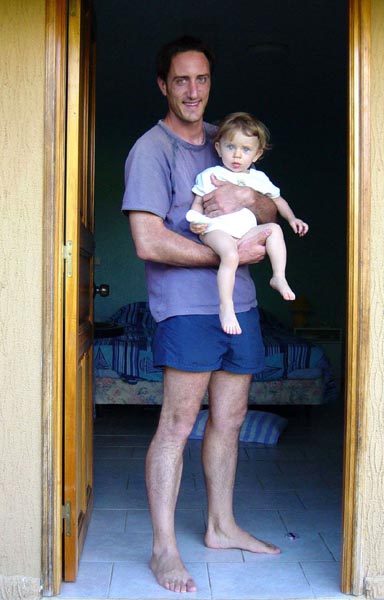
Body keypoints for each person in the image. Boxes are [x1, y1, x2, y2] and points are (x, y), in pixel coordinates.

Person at [122, 35, 281, 594]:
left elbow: (269, 203)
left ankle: (221, 525)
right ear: (163, 85)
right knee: (177, 423)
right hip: (186, 308)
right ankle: (164, 549)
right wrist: (227, 254)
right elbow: (148, 240)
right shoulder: (151, 150)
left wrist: (246, 201)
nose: (193, 91)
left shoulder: (227, 140)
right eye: (181, 80)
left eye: (202, 79)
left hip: (240, 304)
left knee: (231, 419)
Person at [186, 111, 309, 335]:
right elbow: (197, 204)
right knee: (230, 255)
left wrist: (292, 218)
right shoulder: (210, 174)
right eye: (230, 147)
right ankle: (226, 306)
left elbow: (278, 200)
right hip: (216, 230)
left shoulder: (258, 179)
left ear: (257, 154)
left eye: (245, 149)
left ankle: (278, 276)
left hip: (244, 233)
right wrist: (196, 221)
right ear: (218, 148)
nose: (237, 155)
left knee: (274, 229)